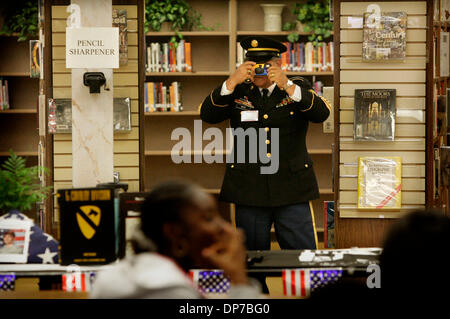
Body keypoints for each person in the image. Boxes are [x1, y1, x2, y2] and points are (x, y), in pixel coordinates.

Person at [200, 36, 331, 253]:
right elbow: (208, 115)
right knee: (250, 259)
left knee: (303, 258)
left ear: (277, 64)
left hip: (292, 188)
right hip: (249, 188)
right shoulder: (237, 91)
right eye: (252, 65)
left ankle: (306, 289)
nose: (258, 71)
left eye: (264, 65)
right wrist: (231, 81)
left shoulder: (295, 88)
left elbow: (321, 114)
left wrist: (286, 84)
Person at [90, 180, 261, 299]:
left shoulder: (123, 274)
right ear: (173, 232)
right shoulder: (168, 291)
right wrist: (239, 278)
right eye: (208, 218)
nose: (224, 227)